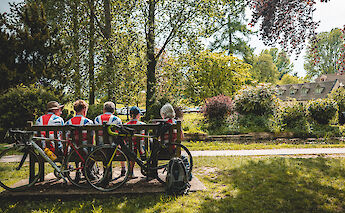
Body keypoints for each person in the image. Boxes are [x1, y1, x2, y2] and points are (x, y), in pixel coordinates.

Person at [125, 106, 146, 178]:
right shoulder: (142, 125)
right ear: (138, 115)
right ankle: (146, 170)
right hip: (141, 149)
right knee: (142, 146)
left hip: (129, 148)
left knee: (132, 149)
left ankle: (130, 172)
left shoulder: (126, 125)